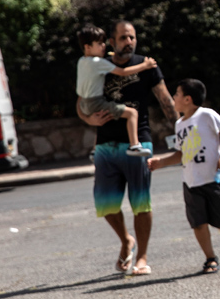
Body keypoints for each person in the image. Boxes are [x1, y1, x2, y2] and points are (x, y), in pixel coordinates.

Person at [76, 20, 178, 276]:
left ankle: (142, 257)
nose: (129, 42)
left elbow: (165, 100)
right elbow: (81, 101)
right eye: (123, 38)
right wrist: (88, 119)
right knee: (106, 204)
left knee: (141, 202)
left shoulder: (146, 64)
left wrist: (181, 130)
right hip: (105, 144)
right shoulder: (98, 63)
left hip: (138, 142)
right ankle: (126, 241)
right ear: (111, 42)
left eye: (132, 37)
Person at [147, 79, 220, 275]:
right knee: (198, 223)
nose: (173, 98)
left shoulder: (207, 115)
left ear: (187, 99)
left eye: (177, 94)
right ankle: (210, 258)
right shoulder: (179, 124)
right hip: (191, 182)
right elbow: (181, 153)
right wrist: (161, 162)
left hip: (213, 178)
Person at [75, 24, 156, 157]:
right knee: (132, 113)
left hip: (84, 103)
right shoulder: (98, 62)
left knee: (107, 112)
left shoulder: (82, 61)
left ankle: (95, 149)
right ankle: (135, 145)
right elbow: (123, 72)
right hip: (96, 102)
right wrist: (144, 66)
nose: (103, 46)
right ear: (87, 47)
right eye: (99, 43)